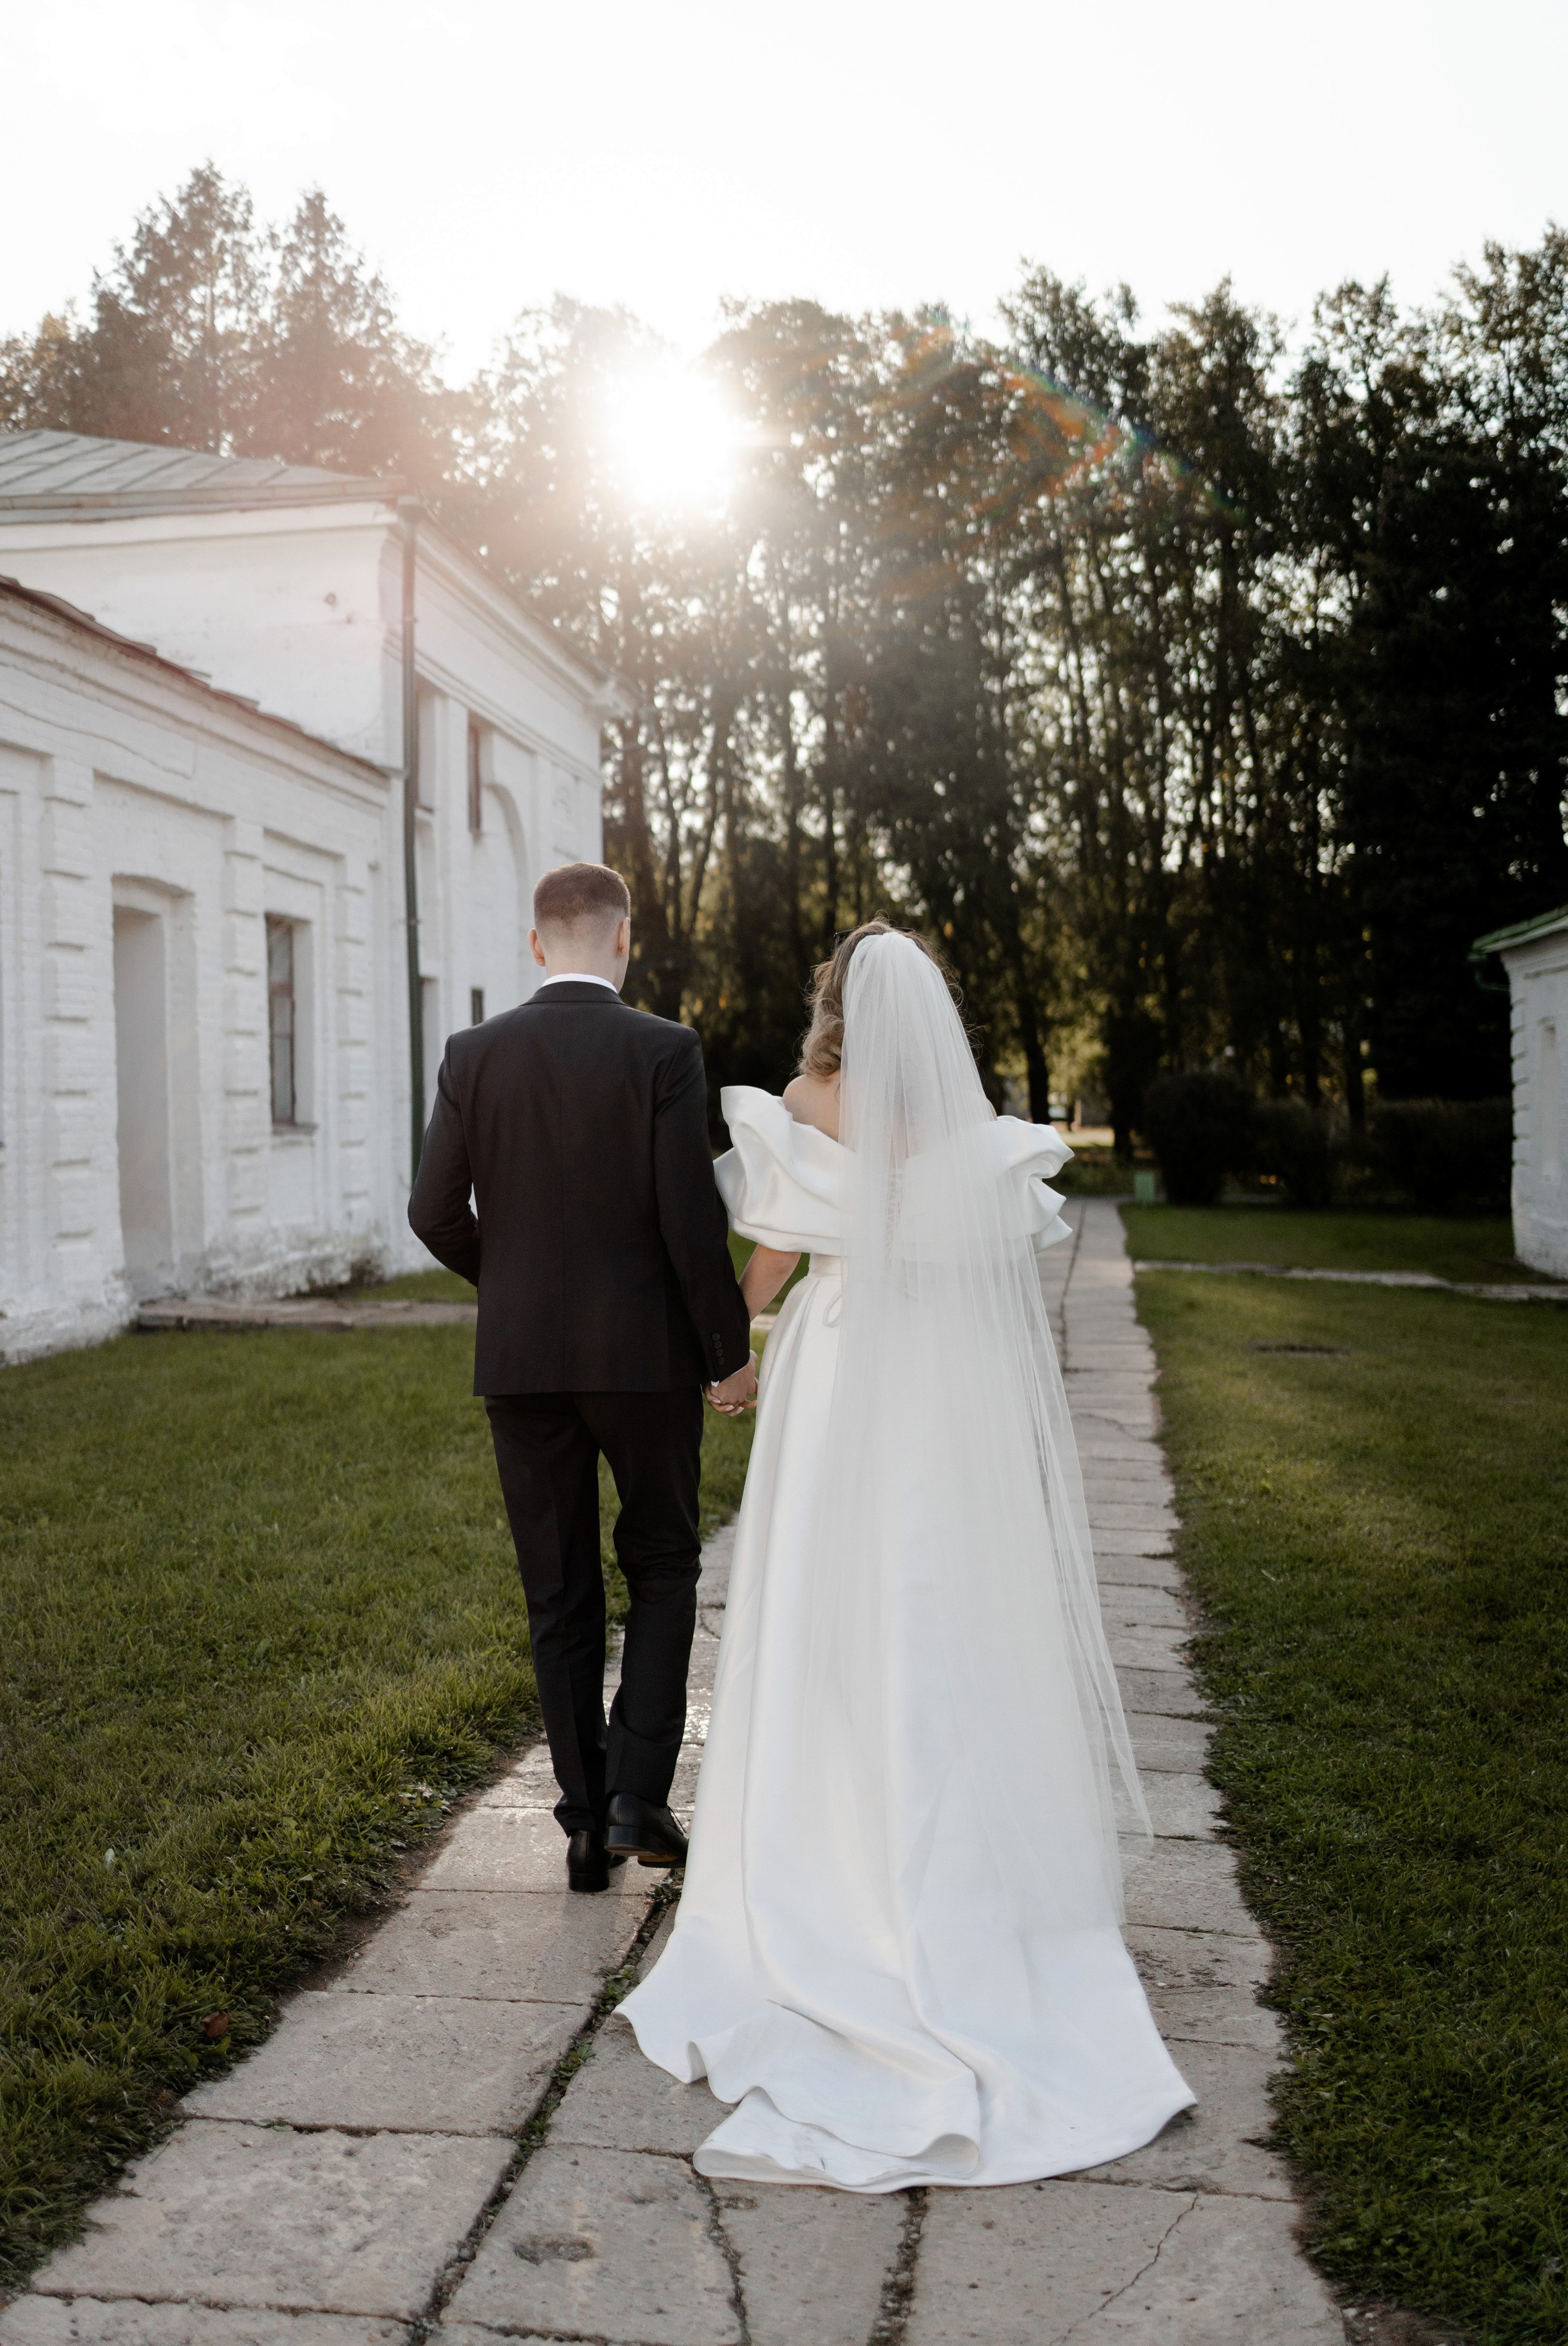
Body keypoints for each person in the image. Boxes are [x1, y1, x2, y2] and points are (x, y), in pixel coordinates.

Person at [619, 920, 1195, 2187]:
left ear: (830, 999)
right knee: (933, 1593)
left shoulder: (805, 1098)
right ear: (927, 1009)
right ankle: (950, 1869)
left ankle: (819, 1856)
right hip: (933, 1367)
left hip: (835, 1358)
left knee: (822, 1587)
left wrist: (737, 1346)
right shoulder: (955, 1117)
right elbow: (987, 1247)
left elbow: (773, 1246)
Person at [408, 861, 758, 1894]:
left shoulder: (473, 1052)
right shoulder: (663, 1049)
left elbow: (433, 1214)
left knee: (557, 1590)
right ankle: (636, 1797)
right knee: (661, 1561)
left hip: (521, 1366)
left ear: (534, 944)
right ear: (623, 939)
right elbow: (688, 1219)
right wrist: (726, 1350)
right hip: (643, 1359)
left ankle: (581, 1822)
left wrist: (509, 1286)